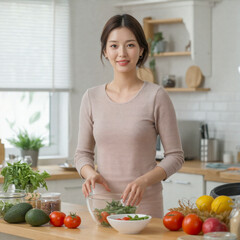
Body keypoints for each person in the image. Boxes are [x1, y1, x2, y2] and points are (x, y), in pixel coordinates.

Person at [74, 14, 184, 218]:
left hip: (145, 207)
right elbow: (82, 154)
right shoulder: (91, 97)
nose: (122, 53)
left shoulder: (157, 96)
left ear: (141, 50)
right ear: (105, 51)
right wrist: (90, 174)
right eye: (114, 45)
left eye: (130, 45)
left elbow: (176, 156)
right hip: (102, 208)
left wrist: (144, 180)